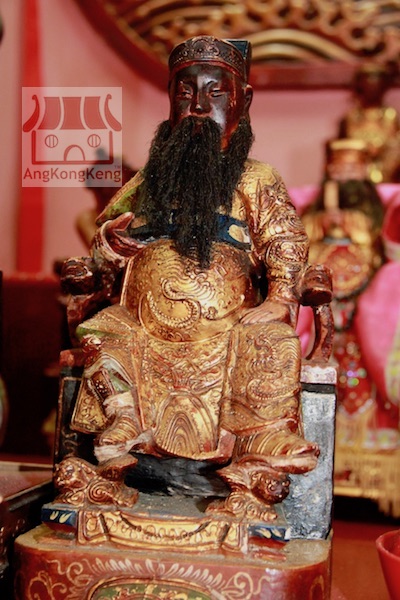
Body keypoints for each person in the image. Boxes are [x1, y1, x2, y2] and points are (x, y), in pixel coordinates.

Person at [63, 36, 327, 518]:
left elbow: (285, 240)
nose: (199, 106)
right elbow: (104, 239)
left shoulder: (256, 178)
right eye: (185, 92)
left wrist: (281, 296)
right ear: (171, 99)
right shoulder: (148, 180)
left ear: (243, 100)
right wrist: (110, 244)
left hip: (229, 329)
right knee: (104, 332)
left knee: (272, 340)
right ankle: (123, 422)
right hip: (143, 324)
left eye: (216, 92)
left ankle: (261, 440)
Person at [301, 138, 397, 450]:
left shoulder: (379, 207)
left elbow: (381, 239)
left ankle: (371, 443)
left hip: (363, 302)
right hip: (323, 299)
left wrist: (353, 225)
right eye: (339, 169)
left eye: (352, 169)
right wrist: (321, 223)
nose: (345, 175)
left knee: (366, 363)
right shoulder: (315, 207)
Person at [338, 61, 400, 184]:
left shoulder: (392, 117)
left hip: (389, 178)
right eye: (368, 81)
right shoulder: (349, 119)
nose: (372, 87)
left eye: (377, 81)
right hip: (357, 179)